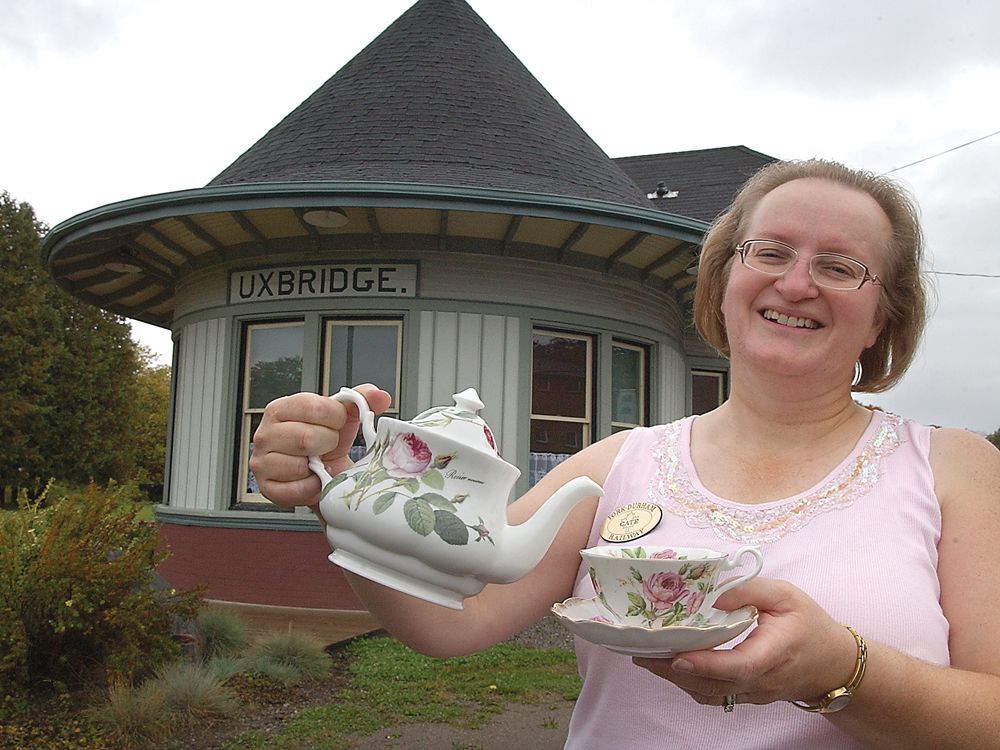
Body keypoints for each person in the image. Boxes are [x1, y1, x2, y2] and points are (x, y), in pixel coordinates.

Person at [249, 159, 1000, 749]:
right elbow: (453, 622)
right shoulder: (616, 466)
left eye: (839, 267)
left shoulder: (954, 469)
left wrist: (845, 674)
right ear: (726, 279)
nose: (796, 282)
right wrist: (340, 497)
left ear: (883, 316)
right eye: (770, 252)